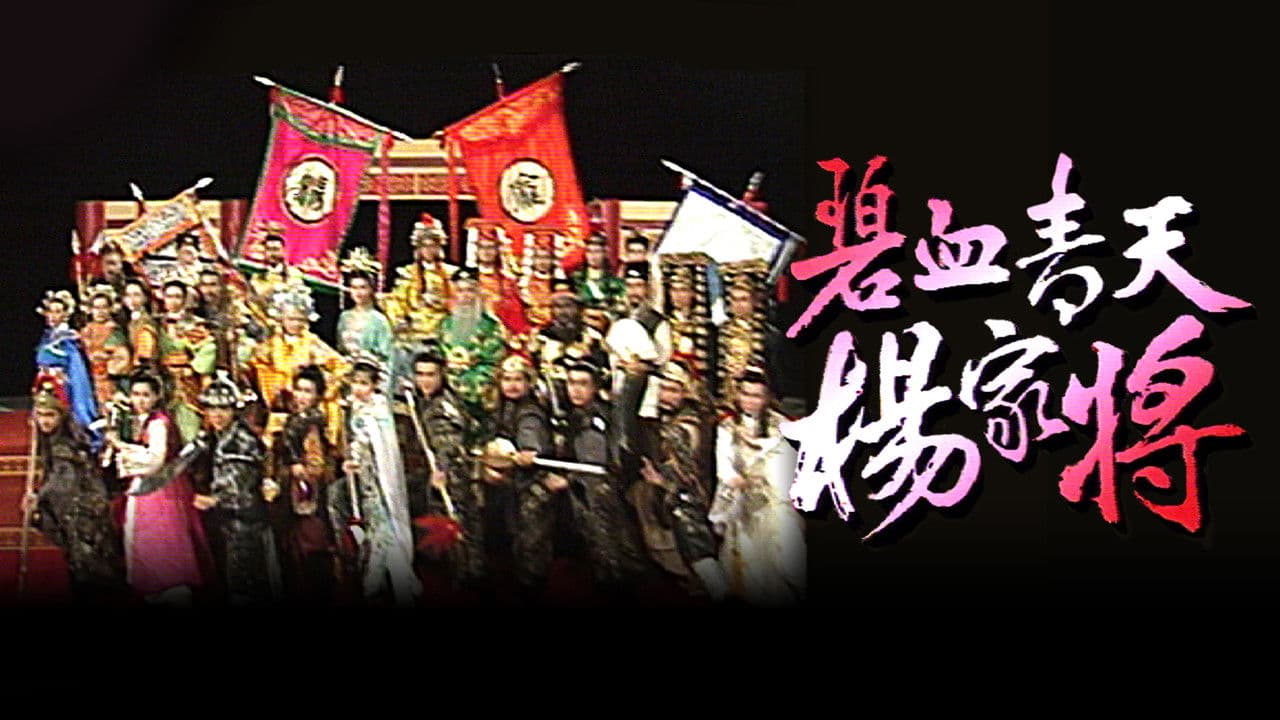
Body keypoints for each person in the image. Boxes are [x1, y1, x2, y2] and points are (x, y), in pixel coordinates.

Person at [106, 371, 211, 605]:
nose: (140, 400)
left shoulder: (158, 423)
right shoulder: (139, 420)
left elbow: (155, 460)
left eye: (146, 395)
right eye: (136, 394)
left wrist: (123, 451)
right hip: (147, 488)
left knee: (163, 543)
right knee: (147, 545)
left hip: (161, 489)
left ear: (156, 397)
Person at [22, 371, 126, 604]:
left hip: (85, 516)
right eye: (41, 415)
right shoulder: (50, 442)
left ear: (61, 416)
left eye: (50, 415)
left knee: (93, 573)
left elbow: (63, 482)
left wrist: (38, 498)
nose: (45, 421)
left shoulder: (66, 445)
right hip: (72, 515)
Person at [629, 361, 727, 601]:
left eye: (673, 390)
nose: (666, 396)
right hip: (678, 495)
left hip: (688, 501)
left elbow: (688, 476)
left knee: (699, 554)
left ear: (686, 391)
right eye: (663, 389)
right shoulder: (682, 417)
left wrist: (661, 482)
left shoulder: (682, 426)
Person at [708, 368, 805, 606]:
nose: (750, 400)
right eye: (746, 394)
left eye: (756, 395)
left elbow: (790, 464)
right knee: (748, 561)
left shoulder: (782, 425)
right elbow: (724, 464)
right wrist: (735, 479)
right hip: (743, 499)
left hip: (775, 500)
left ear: (767, 397)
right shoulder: (728, 427)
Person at [329, 356, 420, 606]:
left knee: (383, 527)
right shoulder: (355, 408)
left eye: (364, 383)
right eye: (355, 382)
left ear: (374, 385)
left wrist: (359, 458)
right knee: (371, 526)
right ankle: (377, 577)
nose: (359, 388)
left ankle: (390, 580)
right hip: (364, 478)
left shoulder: (378, 411)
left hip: (379, 480)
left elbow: (377, 444)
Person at [187, 372, 282, 606]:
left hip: (244, 520)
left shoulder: (241, 440)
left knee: (246, 585)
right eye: (212, 409)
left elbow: (238, 481)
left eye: (223, 409)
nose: (217, 415)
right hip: (224, 521)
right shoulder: (212, 437)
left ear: (233, 411)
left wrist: (214, 499)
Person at [394, 346, 485, 587]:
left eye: (430, 374)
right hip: (432, 471)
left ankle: (467, 579)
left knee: (455, 526)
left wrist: (442, 470)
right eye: (420, 374)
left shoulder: (444, 406)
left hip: (452, 473)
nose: (424, 380)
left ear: (442, 375)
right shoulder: (420, 400)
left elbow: (449, 443)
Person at [556, 358, 647, 595]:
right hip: (587, 494)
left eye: (582, 384)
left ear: (595, 387)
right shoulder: (574, 415)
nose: (575, 389)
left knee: (612, 551)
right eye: (571, 383)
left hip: (601, 493)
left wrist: (570, 478)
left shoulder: (597, 418)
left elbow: (595, 464)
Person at [484, 354, 557, 603]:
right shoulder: (499, 409)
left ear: (528, 382)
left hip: (532, 488)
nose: (512, 385)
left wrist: (529, 451)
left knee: (531, 546)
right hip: (509, 488)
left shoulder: (530, 412)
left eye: (518, 379)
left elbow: (530, 439)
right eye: (507, 379)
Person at [248, 283, 349, 446]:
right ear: (281, 318)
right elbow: (256, 367)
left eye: (300, 319)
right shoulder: (270, 345)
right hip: (280, 404)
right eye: (291, 319)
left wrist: (322, 385)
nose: (295, 324)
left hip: (307, 406)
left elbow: (341, 367)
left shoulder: (313, 344)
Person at [272, 365, 338, 604]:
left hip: (307, 495)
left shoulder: (312, 423)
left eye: (308, 391)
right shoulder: (294, 419)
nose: (301, 396)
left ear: (318, 395)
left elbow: (316, 464)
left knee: (309, 549)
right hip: (290, 493)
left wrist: (298, 470)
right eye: (298, 390)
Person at [437, 267, 509, 420]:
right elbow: (439, 354)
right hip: (447, 378)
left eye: (470, 290)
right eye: (460, 291)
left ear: (477, 294)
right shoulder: (445, 324)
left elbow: (494, 360)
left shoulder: (490, 326)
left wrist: (468, 374)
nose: (465, 296)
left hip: (478, 379)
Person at [156, 279, 217, 442]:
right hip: (162, 381)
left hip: (186, 383)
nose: (173, 301)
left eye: (177, 297)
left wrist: (193, 367)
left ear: (184, 299)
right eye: (169, 296)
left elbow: (208, 348)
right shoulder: (156, 324)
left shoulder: (194, 324)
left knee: (188, 429)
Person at [384, 213, 456, 350]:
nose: (428, 250)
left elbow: (458, 302)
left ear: (439, 247)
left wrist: (441, 301)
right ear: (418, 248)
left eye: (432, 246)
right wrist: (399, 320)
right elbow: (396, 301)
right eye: (424, 246)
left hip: (443, 329)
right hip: (414, 330)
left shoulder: (451, 273)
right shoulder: (407, 273)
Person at [35, 289, 99, 442]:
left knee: (63, 414)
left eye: (57, 311)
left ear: (65, 315)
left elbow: (75, 364)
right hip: (46, 381)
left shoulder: (67, 337)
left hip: (62, 383)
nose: (52, 316)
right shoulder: (49, 335)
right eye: (50, 311)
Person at [336, 248, 394, 376]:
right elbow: (340, 350)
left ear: (371, 289)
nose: (358, 292)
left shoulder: (379, 320)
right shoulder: (344, 317)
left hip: (371, 374)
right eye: (354, 288)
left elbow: (387, 356)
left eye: (363, 287)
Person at [79, 284, 131, 409]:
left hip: (110, 380)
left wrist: (108, 364)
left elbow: (122, 357)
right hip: (89, 379)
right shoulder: (85, 331)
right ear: (90, 309)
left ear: (110, 309)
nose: (100, 311)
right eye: (96, 307)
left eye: (104, 307)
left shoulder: (115, 330)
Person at [571, 234, 625, 318]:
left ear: (605, 253)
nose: (593, 256)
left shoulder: (613, 280)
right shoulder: (576, 278)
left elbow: (619, 304)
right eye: (589, 251)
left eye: (597, 251)